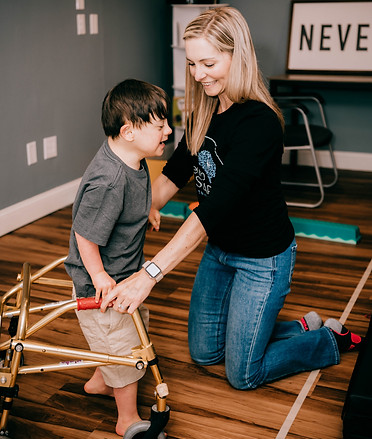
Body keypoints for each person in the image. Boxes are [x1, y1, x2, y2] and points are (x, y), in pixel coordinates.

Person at [101, 8, 363, 391]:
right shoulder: (205, 110)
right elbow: (175, 173)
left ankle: (327, 340)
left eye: (208, 63)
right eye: (192, 63)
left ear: (236, 56)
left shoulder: (259, 123)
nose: (198, 74)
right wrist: (140, 209)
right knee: (205, 353)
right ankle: (300, 325)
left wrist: (149, 275)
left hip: (263, 259)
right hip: (220, 252)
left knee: (243, 374)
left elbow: (213, 209)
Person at [65, 78, 172, 434]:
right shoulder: (110, 180)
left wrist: (147, 211)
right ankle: (126, 418)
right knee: (125, 350)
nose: (168, 131)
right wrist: (98, 276)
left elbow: (129, 204)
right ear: (128, 131)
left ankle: (100, 379)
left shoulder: (134, 159)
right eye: (160, 126)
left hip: (124, 271)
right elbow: (85, 233)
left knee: (128, 329)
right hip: (102, 285)